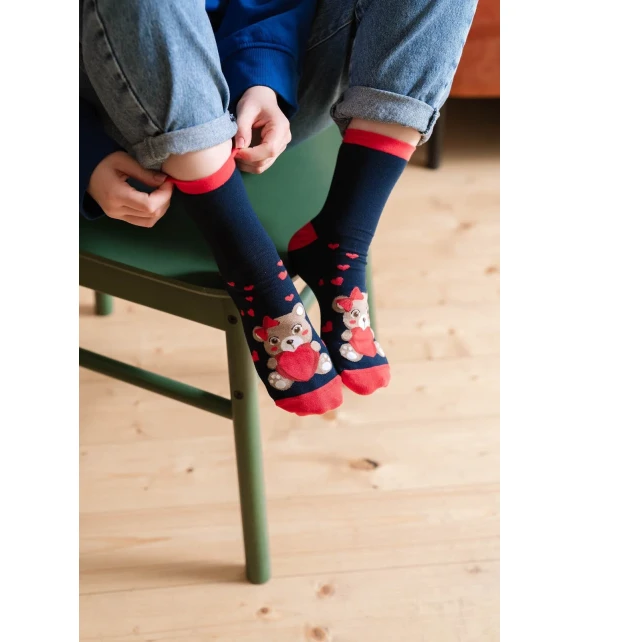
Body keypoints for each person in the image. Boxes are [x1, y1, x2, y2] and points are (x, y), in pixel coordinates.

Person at [79, 0, 476, 416]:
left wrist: (263, 75)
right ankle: (251, 269)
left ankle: (342, 241)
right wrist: (83, 154)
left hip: (270, 91)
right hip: (124, 102)